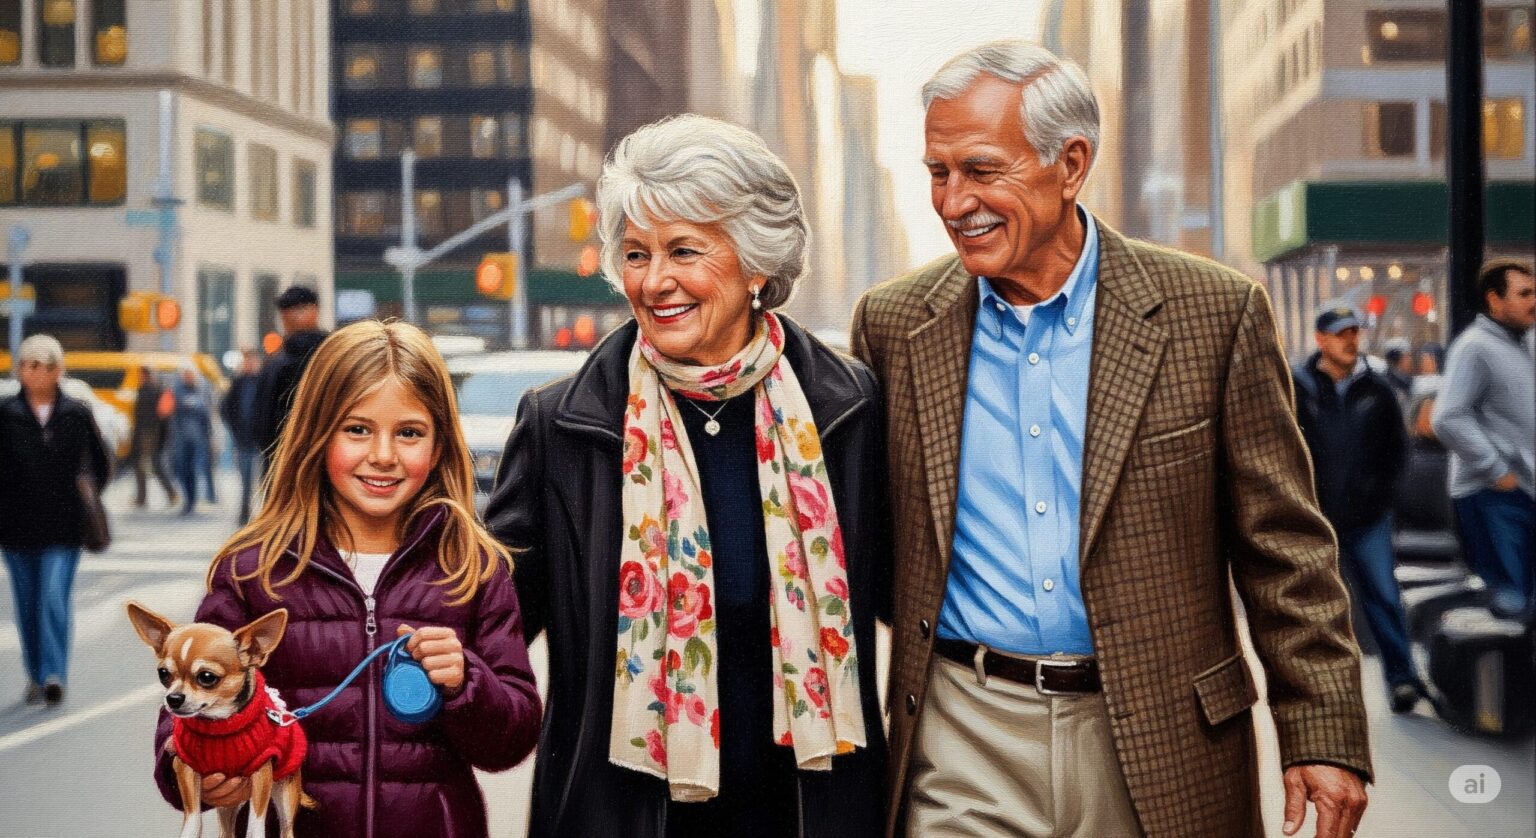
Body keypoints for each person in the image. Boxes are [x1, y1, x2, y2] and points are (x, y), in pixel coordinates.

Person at [851, 41, 1370, 838]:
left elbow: (1284, 547)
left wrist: (1322, 733)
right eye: (937, 172)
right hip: (963, 735)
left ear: (1070, 164)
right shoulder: (892, 325)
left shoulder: (1214, 313)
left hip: (1162, 732)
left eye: (982, 170)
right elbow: (867, 539)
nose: (955, 202)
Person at [486, 114, 890, 838]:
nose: (655, 280)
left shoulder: (848, 410)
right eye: (636, 254)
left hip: (802, 814)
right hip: (620, 818)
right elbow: (487, 630)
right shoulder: (561, 427)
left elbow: (917, 601)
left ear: (757, 264)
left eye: (683, 251)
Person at [151, 321, 541, 837]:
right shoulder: (253, 571)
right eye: (357, 429)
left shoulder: (471, 569)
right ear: (317, 433)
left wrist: (466, 682)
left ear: (441, 443)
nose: (383, 454)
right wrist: (197, 776)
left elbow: (510, 740)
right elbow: (183, 721)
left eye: (409, 432)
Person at [1292, 305, 1423, 712]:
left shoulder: (1378, 389)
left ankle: (1402, 680)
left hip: (1368, 519)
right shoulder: (1297, 387)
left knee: (1384, 597)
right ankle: (1319, 692)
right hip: (1315, 518)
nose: (1350, 340)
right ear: (1321, 339)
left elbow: (1397, 453)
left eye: (1354, 332)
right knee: (1314, 608)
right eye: (1340, 333)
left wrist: (1381, 496)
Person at [0, 334, 111, 705]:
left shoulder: (76, 412)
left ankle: (54, 674)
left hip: (64, 527)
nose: (29, 372)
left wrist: (85, 498)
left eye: (38, 365)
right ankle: (34, 674)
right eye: (25, 365)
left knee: (52, 599)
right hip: (15, 527)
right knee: (27, 605)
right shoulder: (6, 413)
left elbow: (100, 463)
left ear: (56, 370)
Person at [1432, 259, 1535, 618]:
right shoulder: (1474, 348)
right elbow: (1446, 417)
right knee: (1513, 601)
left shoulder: (1527, 344)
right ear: (1494, 299)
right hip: (1493, 495)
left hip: (1522, 490)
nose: (1533, 302)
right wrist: (1496, 470)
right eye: (1524, 294)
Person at [253, 285, 329, 468]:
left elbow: (262, 420)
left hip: (287, 460)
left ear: (314, 311)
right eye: (286, 312)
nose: (290, 317)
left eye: (298, 310)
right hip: (309, 458)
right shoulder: (333, 353)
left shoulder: (331, 355)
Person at [220, 349, 263, 525]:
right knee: (245, 479)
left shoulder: (262, 382)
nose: (250, 364)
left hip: (260, 440)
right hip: (244, 440)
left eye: (252, 360)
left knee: (264, 479)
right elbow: (226, 409)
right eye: (247, 361)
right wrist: (235, 429)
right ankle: (245, 512)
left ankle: (265, 515)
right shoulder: (238, 383)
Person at [167, 363, 214, 516]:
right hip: (180, 438)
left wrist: (210, 436)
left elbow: (206, 412)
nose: (188, 377)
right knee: (181, 470)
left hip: (198, 438)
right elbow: (170, 410)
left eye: (190, 374)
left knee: (196, 469)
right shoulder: (176, 389)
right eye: (185, 374)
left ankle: (192, 500)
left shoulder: (201, 388)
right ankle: (188, 498)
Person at [128, 365, 177, 508]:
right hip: (148, 432)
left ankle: (169, 493)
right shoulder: (155, 390)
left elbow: (159, 415)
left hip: (148, 433)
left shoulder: (152, 390)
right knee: (144, 465)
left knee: (151, 465)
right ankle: (143, 497)